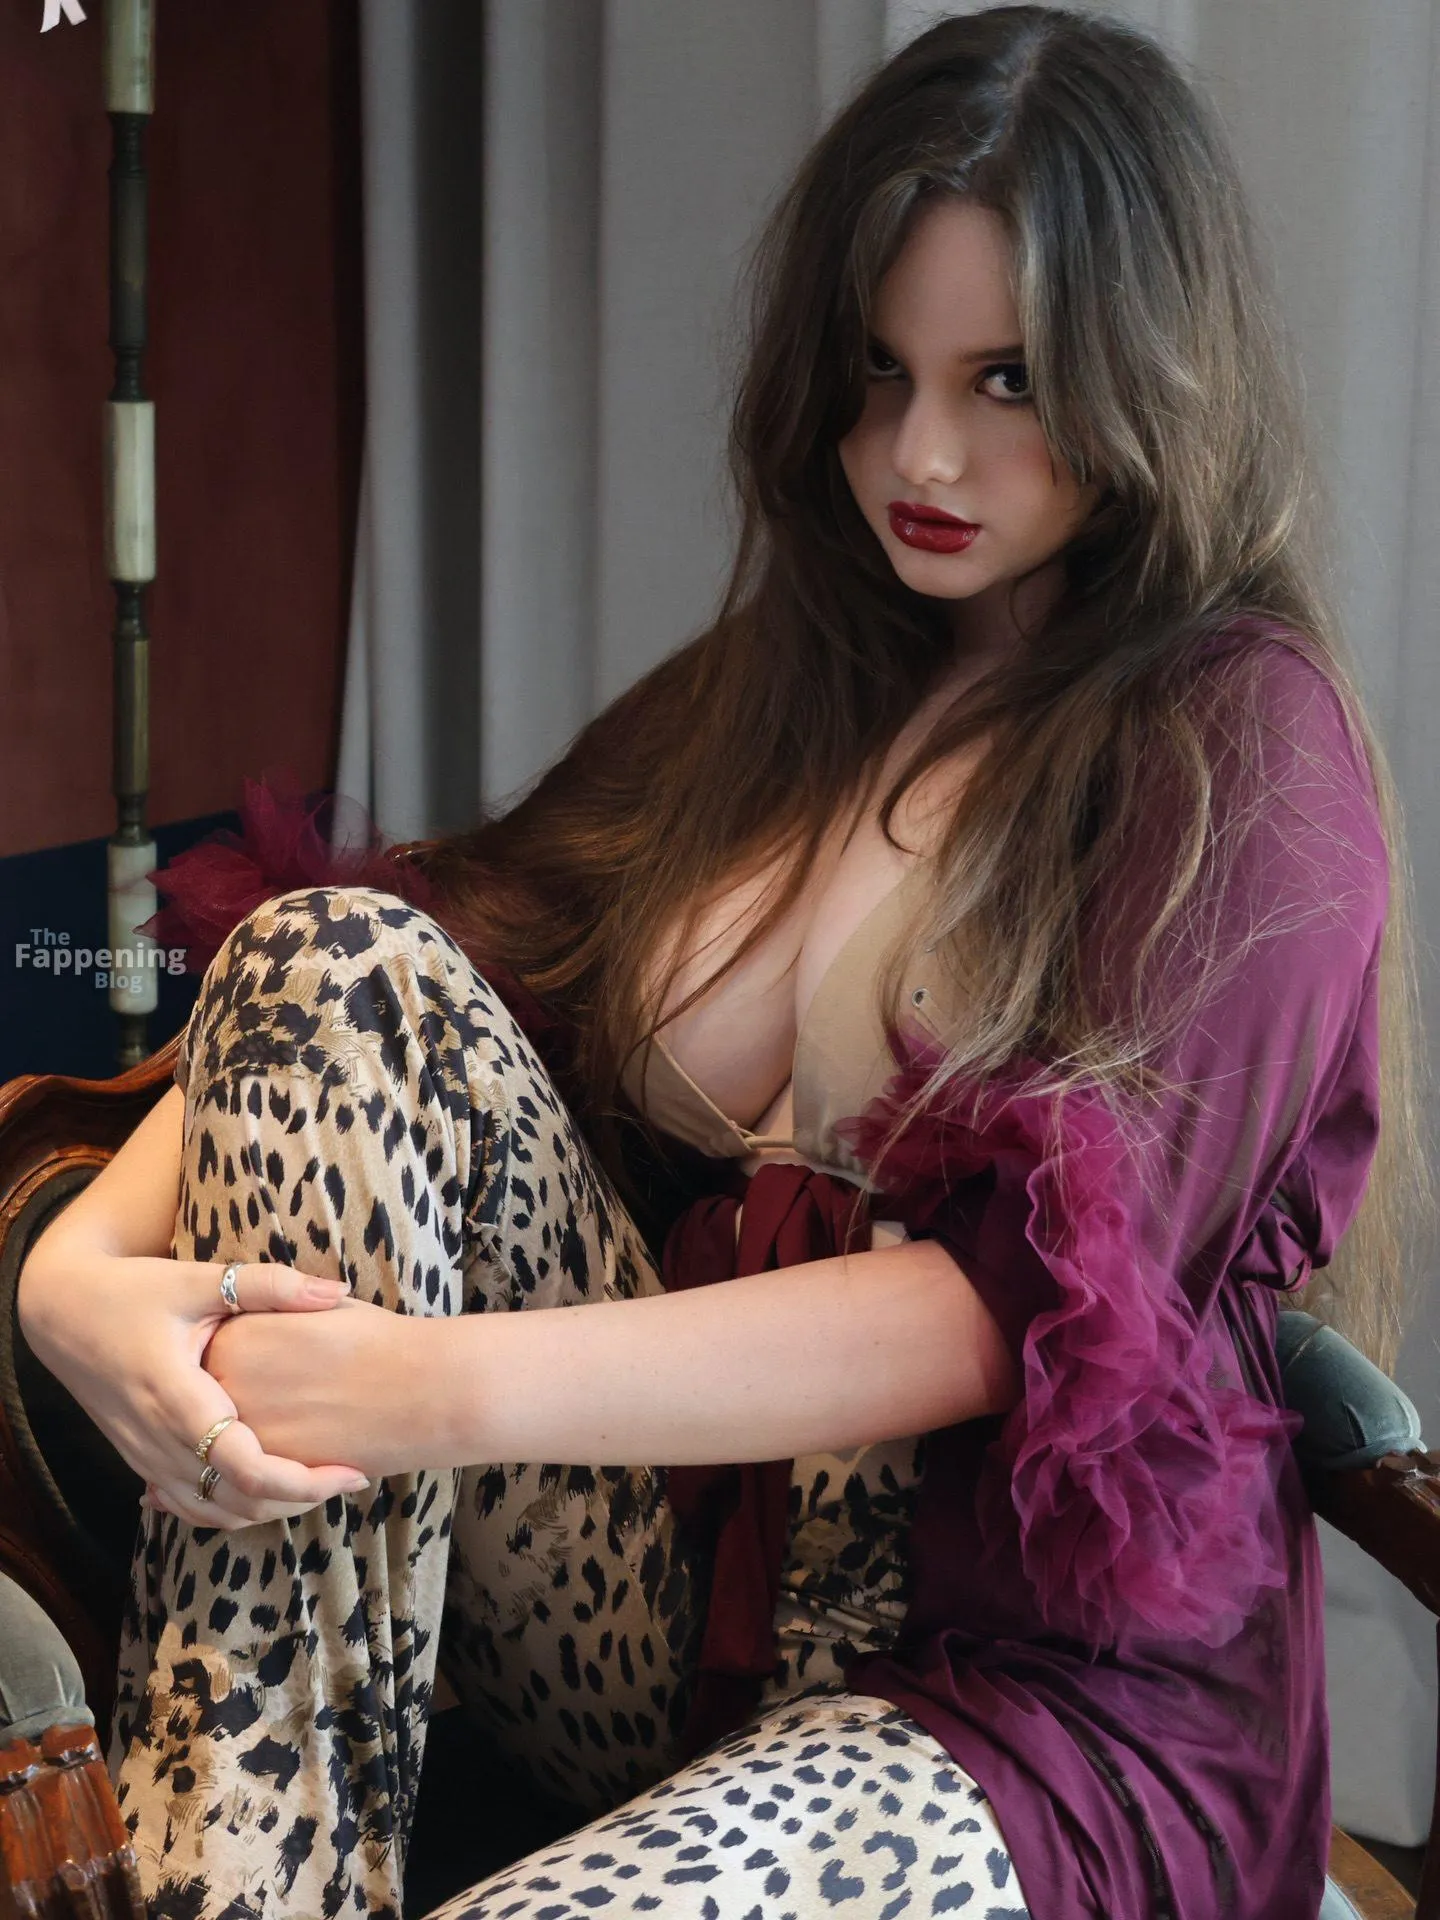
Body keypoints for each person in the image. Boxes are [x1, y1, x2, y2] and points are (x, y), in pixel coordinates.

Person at [16, 7, 1424, 1918]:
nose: (921, 452)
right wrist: (78, 1277)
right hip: (671, 1621)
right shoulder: (794, 683)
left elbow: (1004, 1309)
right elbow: (382, 978)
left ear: (1149, 373)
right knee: (342, 955)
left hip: (1028, 1701)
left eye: (1008, 381)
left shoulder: (1244, 747)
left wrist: (414, 1388)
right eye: (879, 371)